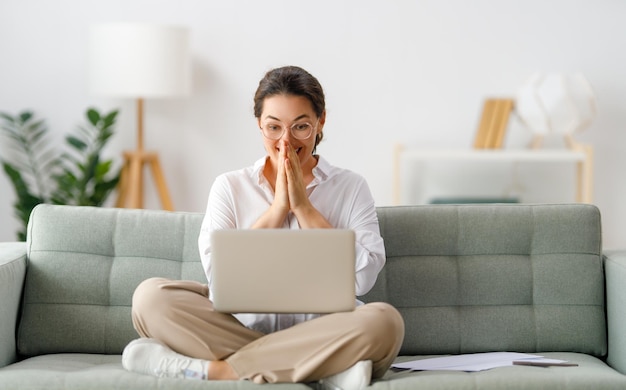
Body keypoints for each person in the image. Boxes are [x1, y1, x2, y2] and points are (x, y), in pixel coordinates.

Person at [121, 65, 405, 390]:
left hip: (327, 330)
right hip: (240, 328)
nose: (286, 140)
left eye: (300, 126)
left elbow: (363, 278)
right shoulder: (229, 186)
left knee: (384, 322)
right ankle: (322, 369)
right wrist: (277, 210)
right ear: (259, 124)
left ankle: (220, 370)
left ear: (320, 122)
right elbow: (219, 279)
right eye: (274, 127)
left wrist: (304, 208)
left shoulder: (351, 187)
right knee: (150, 299)